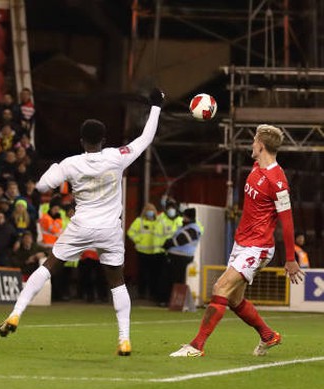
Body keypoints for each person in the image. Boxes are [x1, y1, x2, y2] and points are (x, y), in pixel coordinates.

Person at [0, 88, 164, 357]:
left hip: (81, 226)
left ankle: (16, 314)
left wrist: (51, 172)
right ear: (104, 140)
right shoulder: (116, 157)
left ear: (82, 140)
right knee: (117, 283)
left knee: (48, 266)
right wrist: (156, 106)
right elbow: (145, 138)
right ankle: (124, 339)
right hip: (109, 230)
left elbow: (42, 185)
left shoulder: (70, 164)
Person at [170, 125, 304, 357]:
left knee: (219, 287)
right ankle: (268, 335)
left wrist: (290, 259)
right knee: (233, 298)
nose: (251, 144)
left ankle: (196, 346)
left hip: (259, 247)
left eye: (253, 140)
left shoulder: (278, 181)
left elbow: (288, 222)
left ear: (261, 145)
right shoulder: (255, 168)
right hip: (242, 243)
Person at [161, 208, 202, 303]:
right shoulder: (185, 227)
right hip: (176, 257)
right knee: (171, 279)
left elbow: (180, 240)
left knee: (178, 280)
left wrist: (168, 244)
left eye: (184, 216)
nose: (183, 217)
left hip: (182, 258)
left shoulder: (192, 228)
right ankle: (171, 301)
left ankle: (177, 301)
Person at [127, 202, 162, 300]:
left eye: (151, 211)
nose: (150, 213)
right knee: (143, 274)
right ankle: (142, 293)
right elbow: (131, 232)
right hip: (142, 251)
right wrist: (139, 240)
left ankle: (152, 293)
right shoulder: (139, 221)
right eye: (148, 211)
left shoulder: (158, 222)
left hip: (155, 251)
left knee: (154, 275)